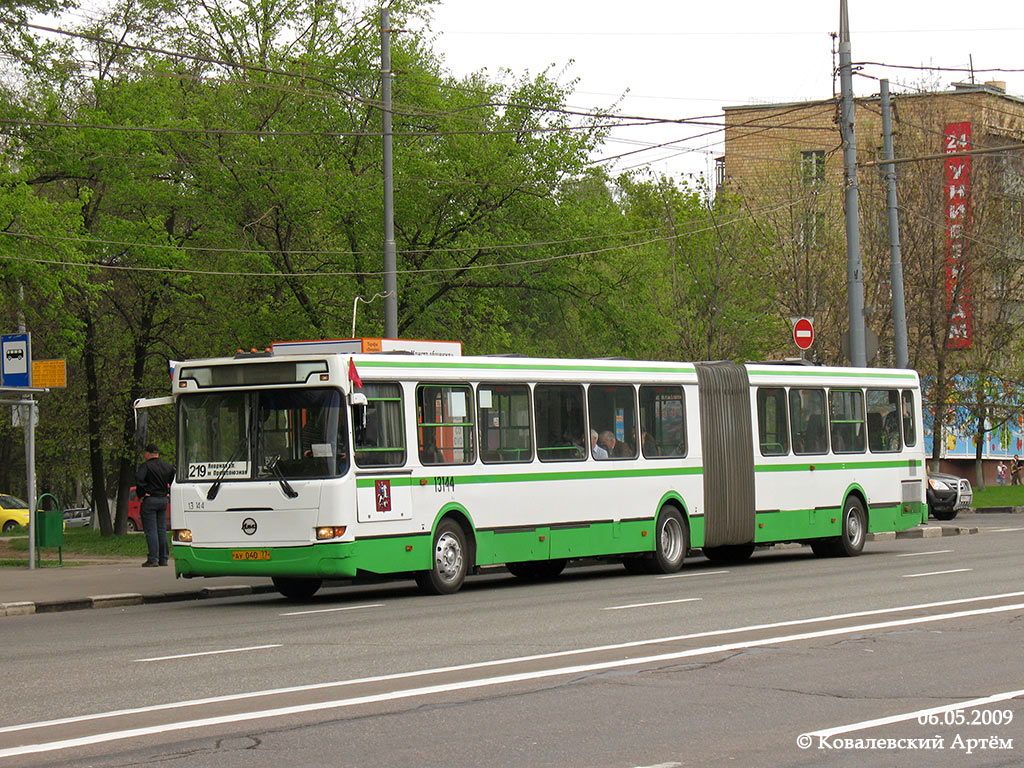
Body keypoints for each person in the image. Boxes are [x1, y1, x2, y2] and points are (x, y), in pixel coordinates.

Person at [135, 443, 175, 567]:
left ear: (148, 454)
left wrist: (142, 494)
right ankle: (164, 558)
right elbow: (174, 480)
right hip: (163, 500)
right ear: (157, 453)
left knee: (151, 530)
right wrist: (168, 492)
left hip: (150, 500)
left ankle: (153, 559)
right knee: (162, 529)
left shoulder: (145, 467)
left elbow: (139, 481)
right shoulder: (167, 466)